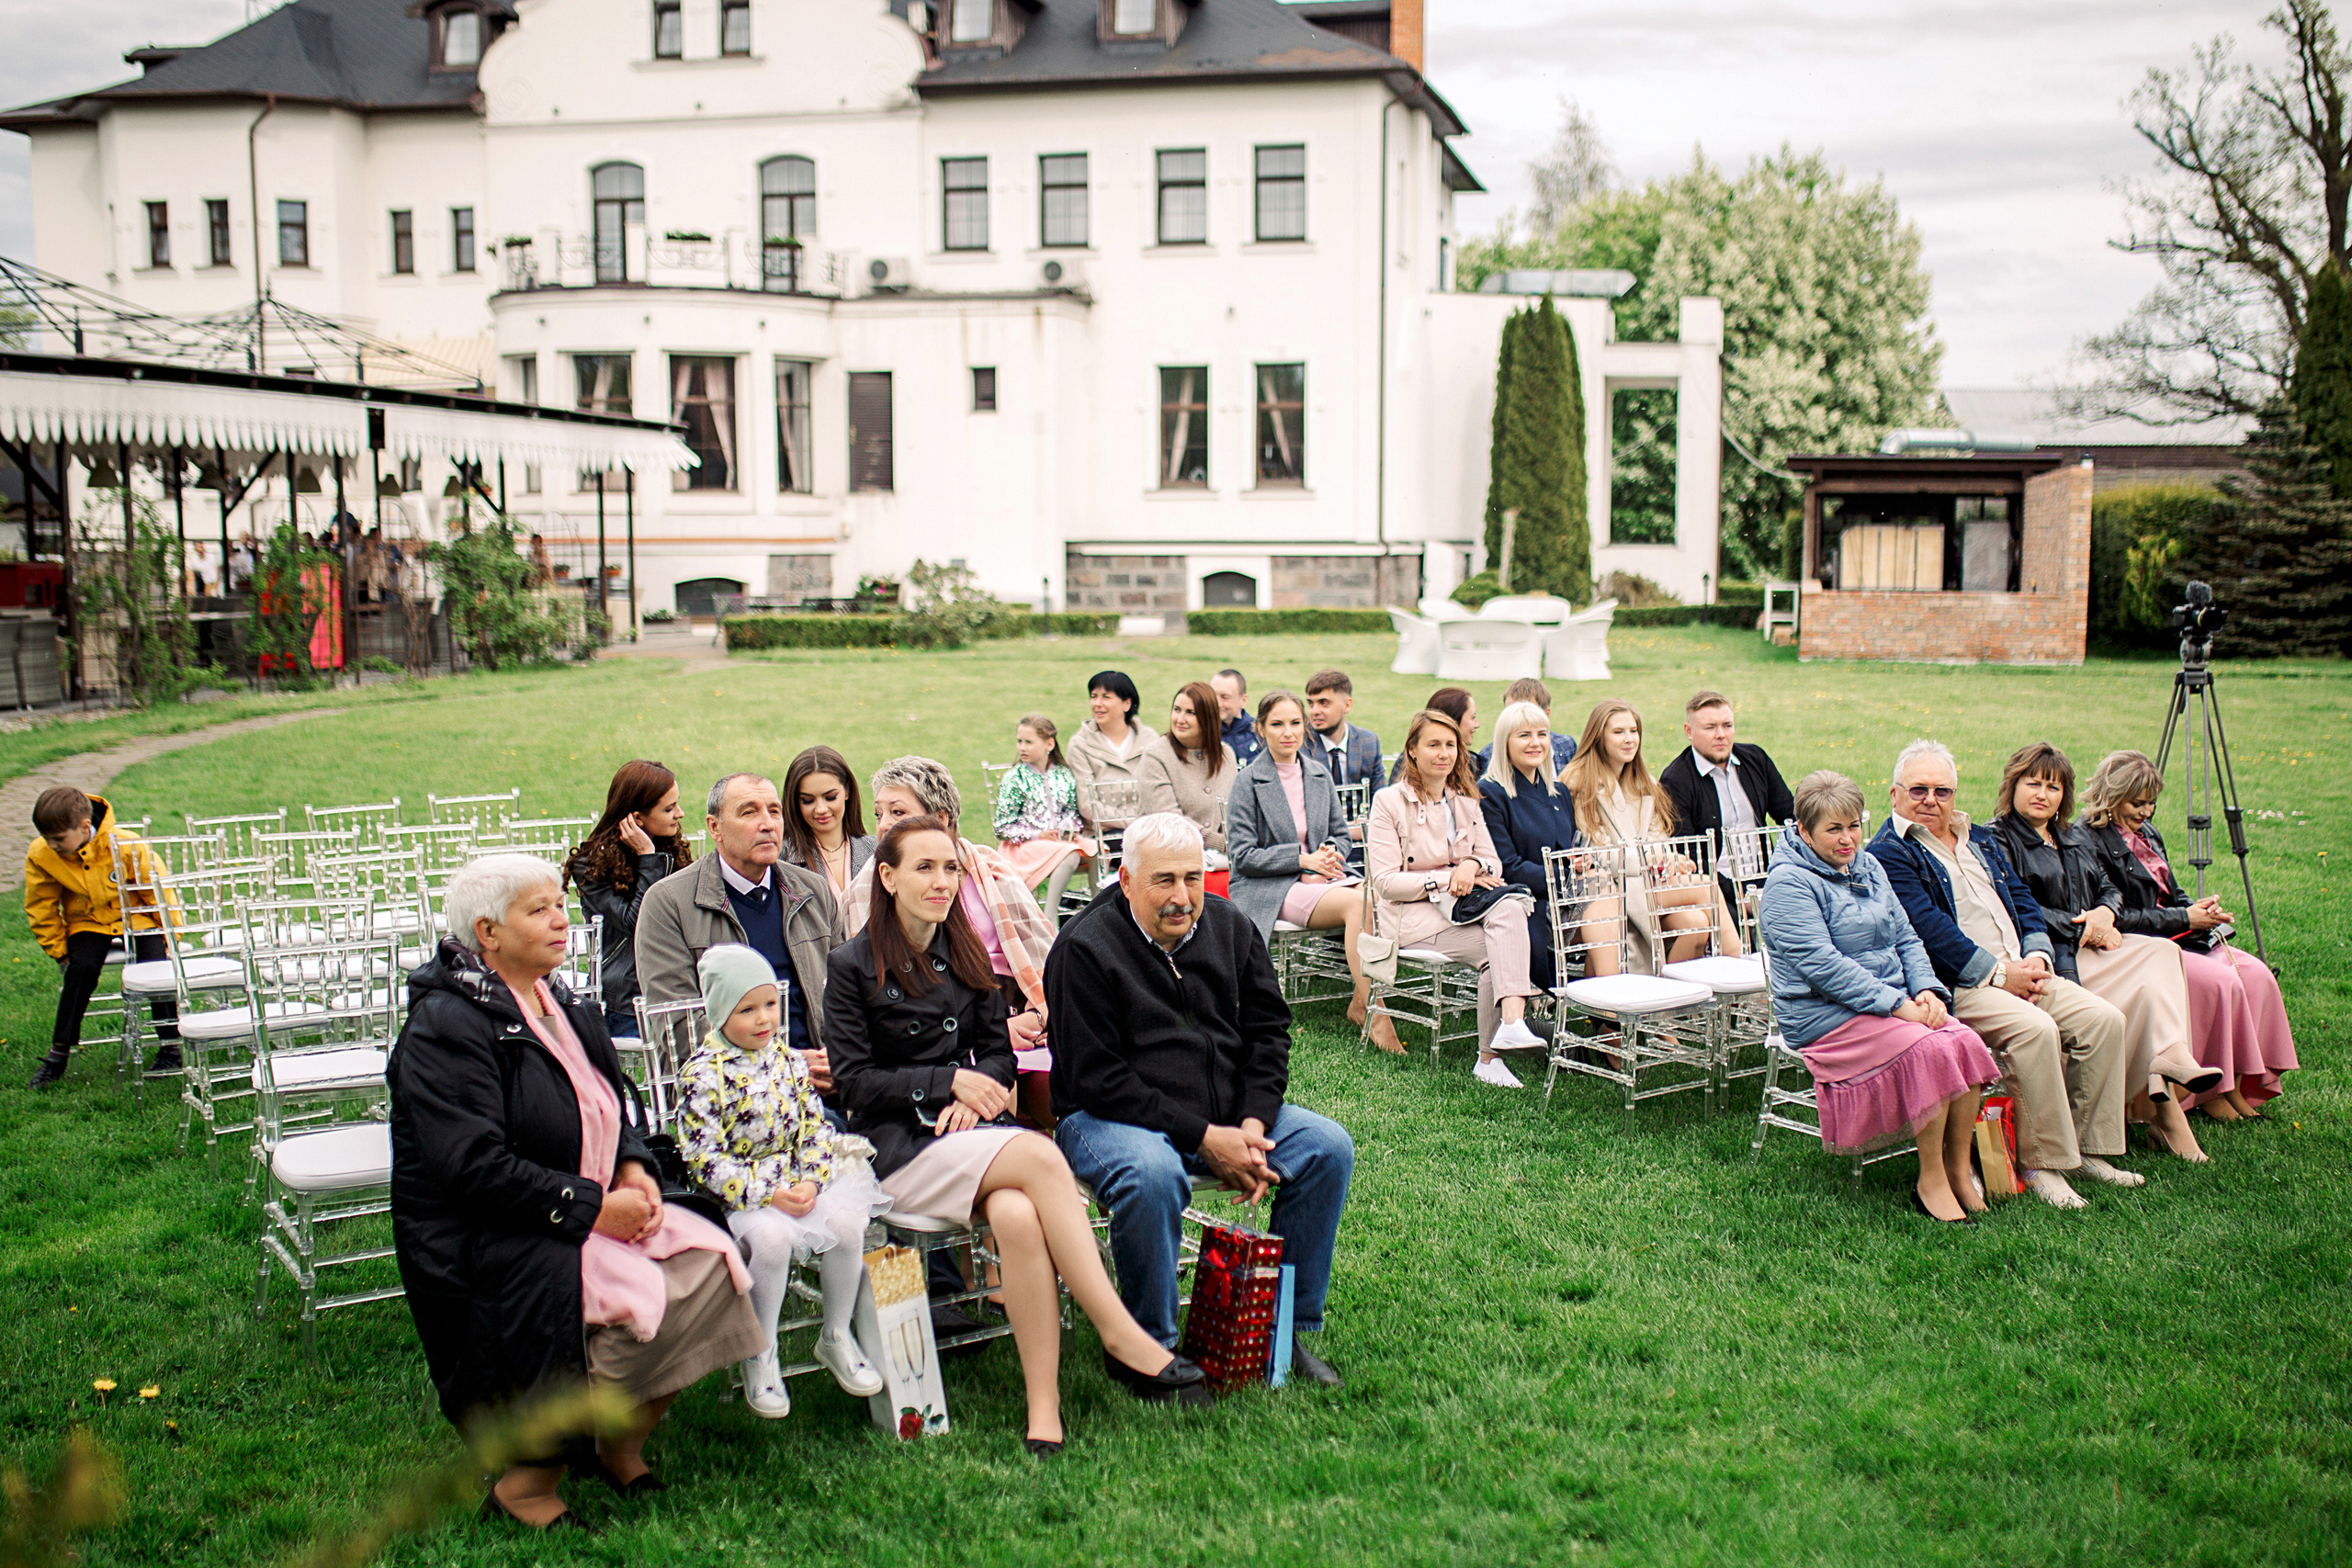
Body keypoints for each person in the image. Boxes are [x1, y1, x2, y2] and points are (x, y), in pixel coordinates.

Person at [389, 855, 761, 1531]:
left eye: (560, 903)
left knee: (712, 1260)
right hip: (491, 1233)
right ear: (488, 932)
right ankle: (527, 1480)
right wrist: (594, 1210)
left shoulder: (560, 1000)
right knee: (617, 1300)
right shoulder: (448, 1025)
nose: (563, 918)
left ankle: (622, 1439)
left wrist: (635, 1170)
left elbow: (612, 1111)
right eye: (539, 909)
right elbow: (471, 1167)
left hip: (579, 1209)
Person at [828, 816, 1209, 1452]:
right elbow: (855, 1083)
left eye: (951, 866)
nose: (942, 880)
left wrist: (980, 1093)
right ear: (887, 877)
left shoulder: (967, 951)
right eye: (925, 867)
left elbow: (998, 1052)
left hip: (975, 1136)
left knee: (1019, 1214)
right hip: (900, 1150)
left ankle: (1044, 1407)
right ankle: (1117, 1329)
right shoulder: (851, 966)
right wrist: (947, 1080)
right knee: (1037, 1150)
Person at [1048, 812, 1353, 1388]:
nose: (1183, 896)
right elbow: (1097, 1078)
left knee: (1325, 1147)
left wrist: (1255, 1123)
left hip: (1227, 1113)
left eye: (1193, 877)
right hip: (1106, 1117)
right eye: (1164, 880)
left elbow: (1269, 1030)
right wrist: (1206, 1139)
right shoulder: (1083, 948)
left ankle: (1278, 1331)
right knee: (1153, 1174)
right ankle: (1147, 1350)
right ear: (1125, 878)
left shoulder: (1230, 926)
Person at [1868, 739, 2133, 1212]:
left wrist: (2037, 956)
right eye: (1919, 790)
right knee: (2036, 1030)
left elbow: (2024, 903)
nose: (1931, 800)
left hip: (2025, 968)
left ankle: (2090, 1149)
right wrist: (1998, 975)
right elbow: (1929, 930)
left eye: (1942, 791)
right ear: (1894, 794)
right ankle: (2041, 1162)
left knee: (2104, 1020)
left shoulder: (1982, 839)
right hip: (1962, 984)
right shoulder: (1890, 852)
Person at [1760, 772, 2003, 1223]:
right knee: (1930, 1049)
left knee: (1965, 1041)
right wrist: (1899, 1006)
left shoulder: (1868, 865)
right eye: (1834, 829)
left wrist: (1927, 990)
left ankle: (1956, 1166)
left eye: (1854, 825)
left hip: (1890, 1000)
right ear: (1802, 830)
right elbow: (1824, 968)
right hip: (1824, 1016)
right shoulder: (1788, 885)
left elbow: (1907, 937)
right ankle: (1929, 1179)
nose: (1848, 838)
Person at [679, 944, 889, 1419]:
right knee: (771, 1243)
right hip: (743, 1197)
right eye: (746, 1009)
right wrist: (766, 1193)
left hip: (799, 1185)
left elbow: (817, 1130)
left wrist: (813, 1182)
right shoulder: (703, 1074)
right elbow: (703, 1157)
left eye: (770, 1005)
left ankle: (836, 1333)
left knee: (848, 1226)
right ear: (719, 1012)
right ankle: (761, 1350)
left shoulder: (790, 1064)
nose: (763, 1019)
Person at [1990, 743, 2217, 1162]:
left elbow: (2108, 887)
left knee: (2162, 955)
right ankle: (2161, 1101)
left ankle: (2169, 1058)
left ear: (2065, 795)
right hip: (2055, 955)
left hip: (2090, 945)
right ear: (2012, 785)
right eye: (2033, 784)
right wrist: (2084, 926)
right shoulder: (1998, 840)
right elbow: (2015, 908)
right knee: (2143, 987)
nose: (2043, 794)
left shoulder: (2070, 836)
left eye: (2053, 787)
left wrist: (2104, 913)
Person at [2080, 750, 2299, 1123]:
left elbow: (2172, 891)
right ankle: (2214, 1092)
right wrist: (2184, 917)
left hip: (2181, 933)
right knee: (2220, 981)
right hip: (2142, 943)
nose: (2146, 813)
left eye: (2151, 804)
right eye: (2137, 803)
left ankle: (2242, 1082)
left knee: (2257, 974)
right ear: (2111, 796)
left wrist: (2201, 911)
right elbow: (2117, 917)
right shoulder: (2086, 841)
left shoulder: (2148, 833)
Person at [854, 756, 1054, 1118]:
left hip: (1022, 1023)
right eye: (878, 814)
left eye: (897, 813)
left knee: (1070, 1090)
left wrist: (1040, 1017)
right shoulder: (867, 892)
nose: (882, 827)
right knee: (996, 1094)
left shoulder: (990, 873)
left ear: (942, 819)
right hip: (943, 1040)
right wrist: (995, 1032)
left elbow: (1045, 962)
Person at [1368, 709, 1545, 1087]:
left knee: (1508, 914)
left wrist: (1472, 862)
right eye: (1433, 745)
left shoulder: (1466, 799)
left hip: (1462, 909)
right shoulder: (1389, 802)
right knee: (1501, 937)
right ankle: (1496, 1048)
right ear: (1412, 751)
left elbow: (1493, 864)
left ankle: (1504, 1035)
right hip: (1410, 917)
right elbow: (1384, 883)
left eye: (1451, 745)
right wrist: (1448, 877)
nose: (1443, 753)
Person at [635, 773, 837, 1099]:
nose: (768, 824)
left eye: (774, 811)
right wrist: (784, 1066)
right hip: (728, 1097)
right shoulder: (669, 902)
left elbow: (847, 996)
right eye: (749, 812)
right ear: (715, 828)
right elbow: (679, 1027)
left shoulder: (812, 891)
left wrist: (843, 1061)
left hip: (826, 1084)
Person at [1225, 689, 1402, 1054]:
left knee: (1377, 895)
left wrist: (1329, 853)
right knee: (1358, 906)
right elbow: (1242, 857)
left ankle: (1358, 1000)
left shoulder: (1317, 774)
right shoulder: (1247, 782)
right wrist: (1302, 860)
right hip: (1271, 885)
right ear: (1260, 729)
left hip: (1322, 877)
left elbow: (1340, 834)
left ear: (1305, 728)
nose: (1288, 732)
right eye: (1277, 724)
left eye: (1295, 723)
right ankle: (1377, 1014)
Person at [1561, 700, 1745, 976]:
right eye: (1618, 732)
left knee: (1694, 922)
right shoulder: (1578, 782)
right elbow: (1592, 850)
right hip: (1607, 889)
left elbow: (1658, 838)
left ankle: (1669, 1003)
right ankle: (1739, 968)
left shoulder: (1643, 782)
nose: (1629, 739)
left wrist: (1669, 860)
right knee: (1707, 885)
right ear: (1598, 737)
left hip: (1647, 882)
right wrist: (1651, 862)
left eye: (1634, 731)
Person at [23, 787, 180, 1089]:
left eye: (59, 839)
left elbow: (157, 891)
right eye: (47, 838)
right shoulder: (42, 854)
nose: (52, 845)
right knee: (80, 969)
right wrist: (59, 950)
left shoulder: (126, 844)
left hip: (136, 917)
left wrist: (169, 935)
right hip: (88, 921)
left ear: (84, 827)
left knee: (157, 968)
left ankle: (171, 1045)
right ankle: (59, 1053)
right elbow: (41, 905)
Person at [562, 761, 695, 1040]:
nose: (680, 814)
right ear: (637, 818)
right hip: (627, 1000)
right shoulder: (591, 867)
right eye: (669, 809)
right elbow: (640, 923)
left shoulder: (671, 850)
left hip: (679, 987)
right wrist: (648, 859)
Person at [1478, 701, 1580, 992]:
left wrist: (1579, 864)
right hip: (1525, 896)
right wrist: (1564, 878)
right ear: (1505, 742)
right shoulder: (1490, 792)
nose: (1536, 743)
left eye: (1542, 734)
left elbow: (1567, 849)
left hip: (1567, 894)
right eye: (1524, 735)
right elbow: (1507, 866)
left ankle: (1604, 1012)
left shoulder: (1559, 791)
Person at [1657, 689, 1796, 898]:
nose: (1721, 734)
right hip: (1715, 888)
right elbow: (1688, 853)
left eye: (1727, 726)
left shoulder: (1756, 759)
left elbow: (1790, 815)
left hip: (1767, 877)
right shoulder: (1675, 780)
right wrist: (1739, 896)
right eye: (1710, 727)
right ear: (1689, 731)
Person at [992, 713, 1094, 920]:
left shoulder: (1064, 775)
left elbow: (1072, 814)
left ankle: (1096, 912)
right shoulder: (1015, 778)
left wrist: (1070, 829)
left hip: (1060, 843)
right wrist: (1038, 835)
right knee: (1072, 854)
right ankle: (1050, 917)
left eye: (1029, 742)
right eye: (1019, 741)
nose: (1022, 747)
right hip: (1025, 847)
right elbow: (1002, 827)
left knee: (1094, 849)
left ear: (1049, 744)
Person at [1136, 681, 1238, 857]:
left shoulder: (1225, 755)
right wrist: (1220, 842)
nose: (1180, 719)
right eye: (1177, 710)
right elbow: (1168, 819)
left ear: (1209, 718)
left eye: (1190, 713)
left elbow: (1235, 811)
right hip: (1164, 854)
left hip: (1215, 859)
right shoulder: (1156, 755)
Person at [779, 745, 875, 903]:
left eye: (830, 797)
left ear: (847, 791)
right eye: (808, 801)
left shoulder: (874, 850)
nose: (821, 809)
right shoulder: (782, 858)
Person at [1067, 670, 1159, 832]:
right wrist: (1131, 823)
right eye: (1094, 697)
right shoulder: (1080, 744)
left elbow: (1159, 791)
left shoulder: (1150, 739)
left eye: (1106, 697)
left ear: (1126, 704)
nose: (1097, 704)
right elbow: (1087, 804)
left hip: (1148, 827)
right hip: (1106, 833)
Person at [1470, 678, 1577, 775]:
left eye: (1528, 712)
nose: (1518, 718)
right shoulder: (1490, 756)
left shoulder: (1565, 746)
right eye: (1511, 712)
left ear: (1546, 714)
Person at [1387, 688, 1477, 783]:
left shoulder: (1471, 764)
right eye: (1473, 718)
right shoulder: (1405, 767)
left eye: (1450, 745)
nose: (1477, 724)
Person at [1211, 667, 1262, 765]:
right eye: (1212, 696)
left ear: (1243, 700)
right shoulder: (1201, 734)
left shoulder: (1260, 733)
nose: (1217, 703)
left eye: (1225, 697)